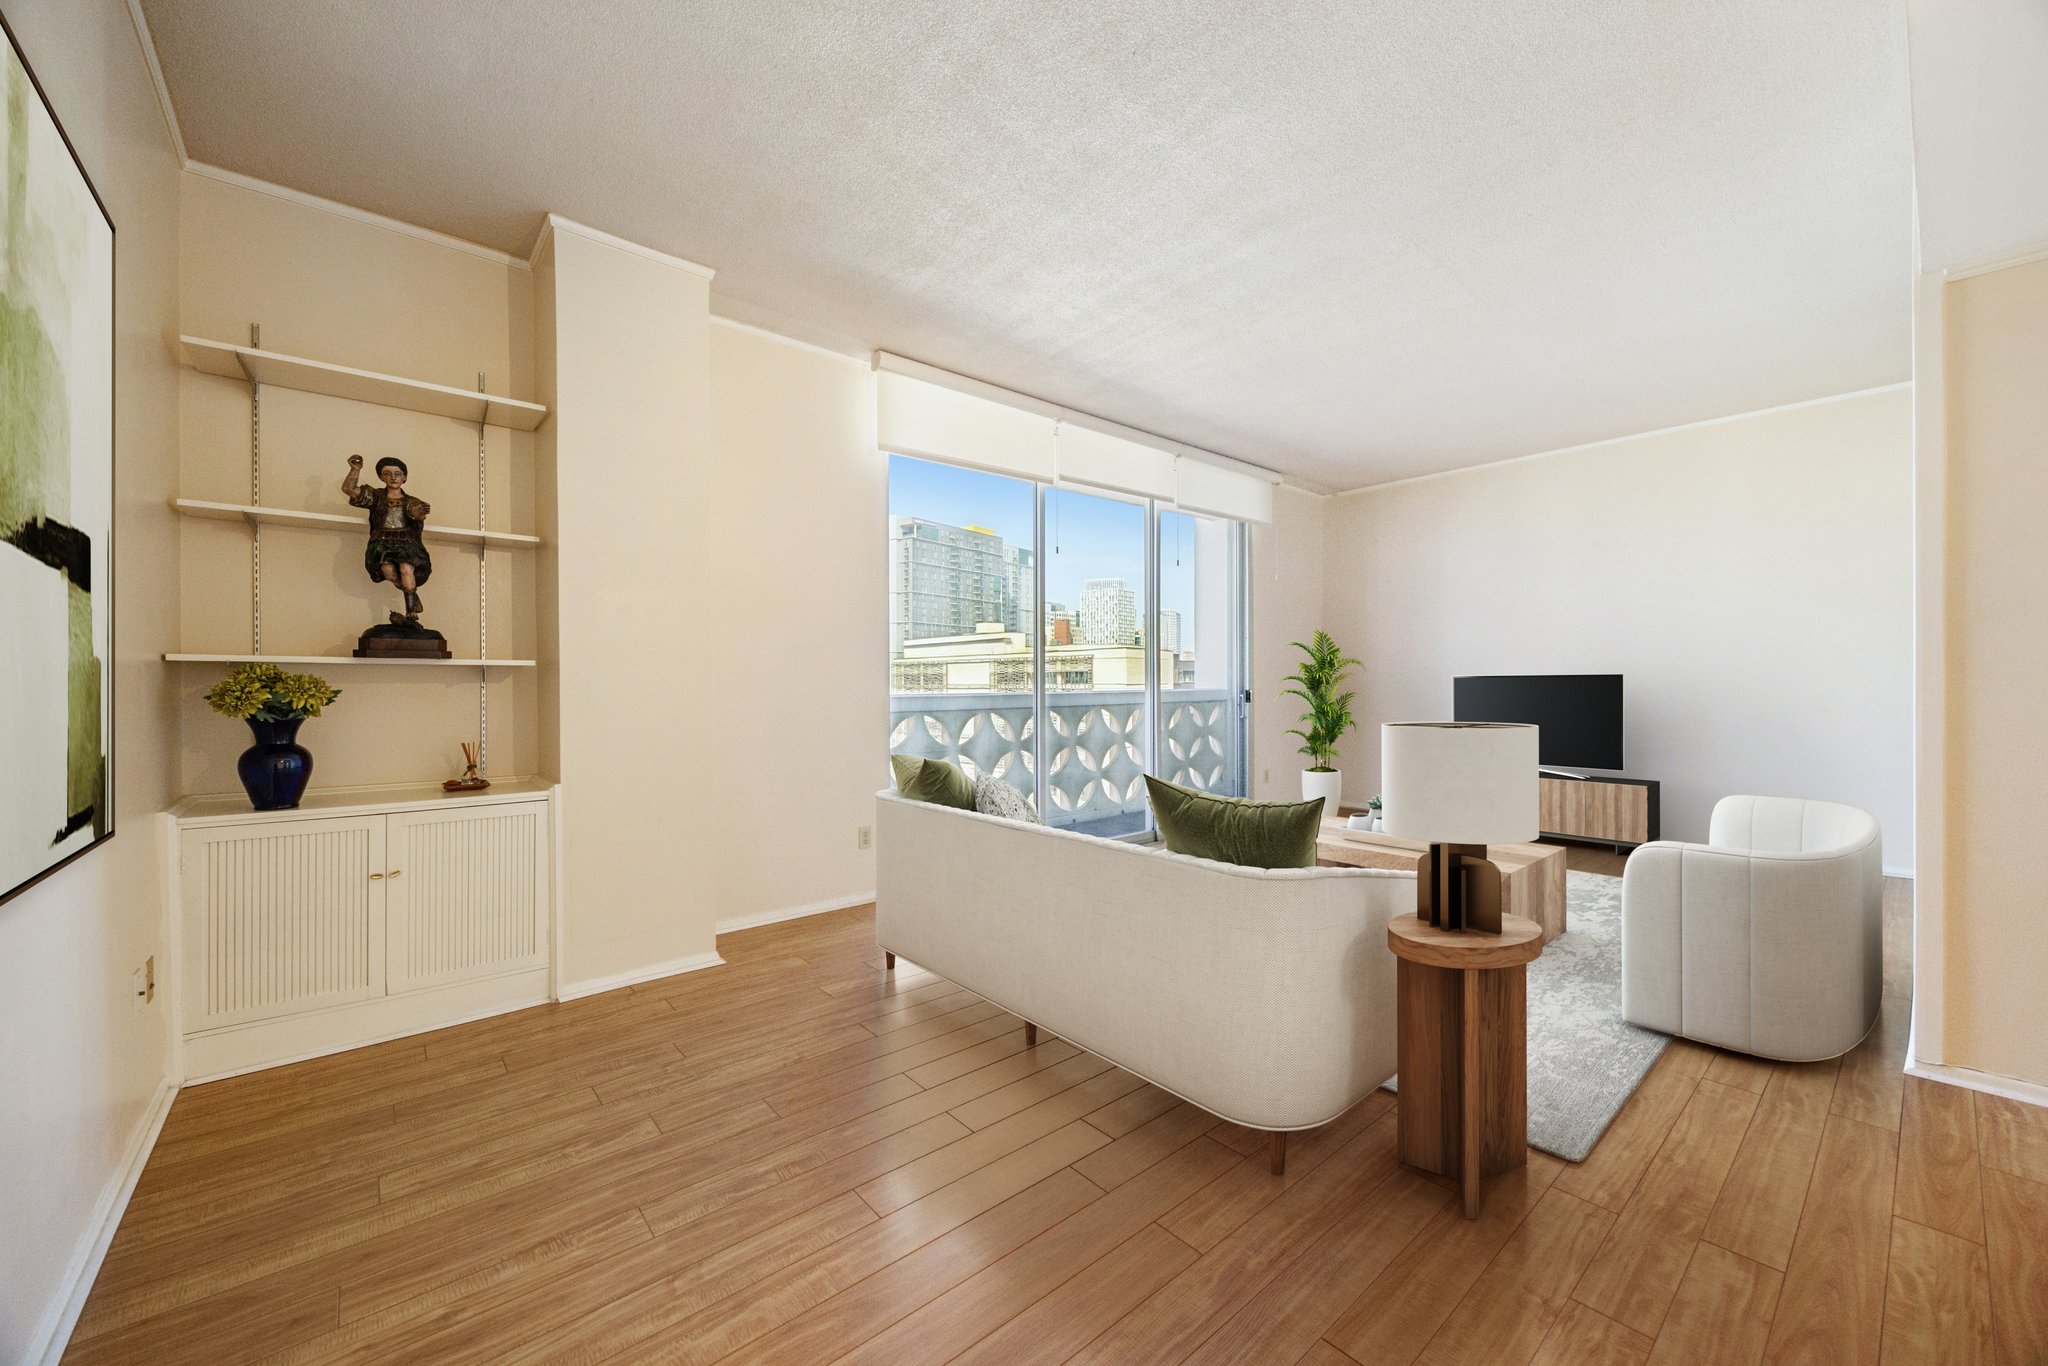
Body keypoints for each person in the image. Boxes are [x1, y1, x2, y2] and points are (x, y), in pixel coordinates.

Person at [342, 454, 432, 620]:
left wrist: (419, 515)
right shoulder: (376, 497)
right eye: (387, 473)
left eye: (397, 474)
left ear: (404, 477)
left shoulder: (411, 501)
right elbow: (349, 489)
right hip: (382, 541)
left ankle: (411, 611)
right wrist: (355, 470)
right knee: (388, 572)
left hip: (406, 541)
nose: (393, 477)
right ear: (381, 477)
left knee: (406, 569)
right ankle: (412, 594)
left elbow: (417, 518)